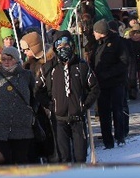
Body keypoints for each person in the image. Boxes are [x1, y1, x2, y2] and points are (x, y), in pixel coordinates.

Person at [35, 30, 100, 163]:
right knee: (64, 157)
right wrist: (50, 104)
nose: (63, 47)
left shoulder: (81, 66)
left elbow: (94, 88)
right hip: (59, 119)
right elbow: (37, 91)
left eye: (66, 44)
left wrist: (85, 104)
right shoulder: (48, 68)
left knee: (80, 156)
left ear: (72, 45)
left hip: (78, 118)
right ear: (55, 47)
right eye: (59, 44)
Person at [0, 46, 35, 165]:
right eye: (4, 59)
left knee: (21, 161)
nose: (6, 62)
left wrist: (30, 113)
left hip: (22, 127)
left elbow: (35, 96)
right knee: (2, 160)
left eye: (10, 58)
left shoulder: (27, 75)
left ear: (17, 59)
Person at [92, 19, 129, 148]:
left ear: (100, 32)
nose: (93, 34)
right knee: (103, 113)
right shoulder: (96, 44)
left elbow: (124, 62)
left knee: (117, 110)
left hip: (115, 83)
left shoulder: (117, 42)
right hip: (101, 85)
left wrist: (108, 74)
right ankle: (107, 141)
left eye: (95, 31)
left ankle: (120, 136)